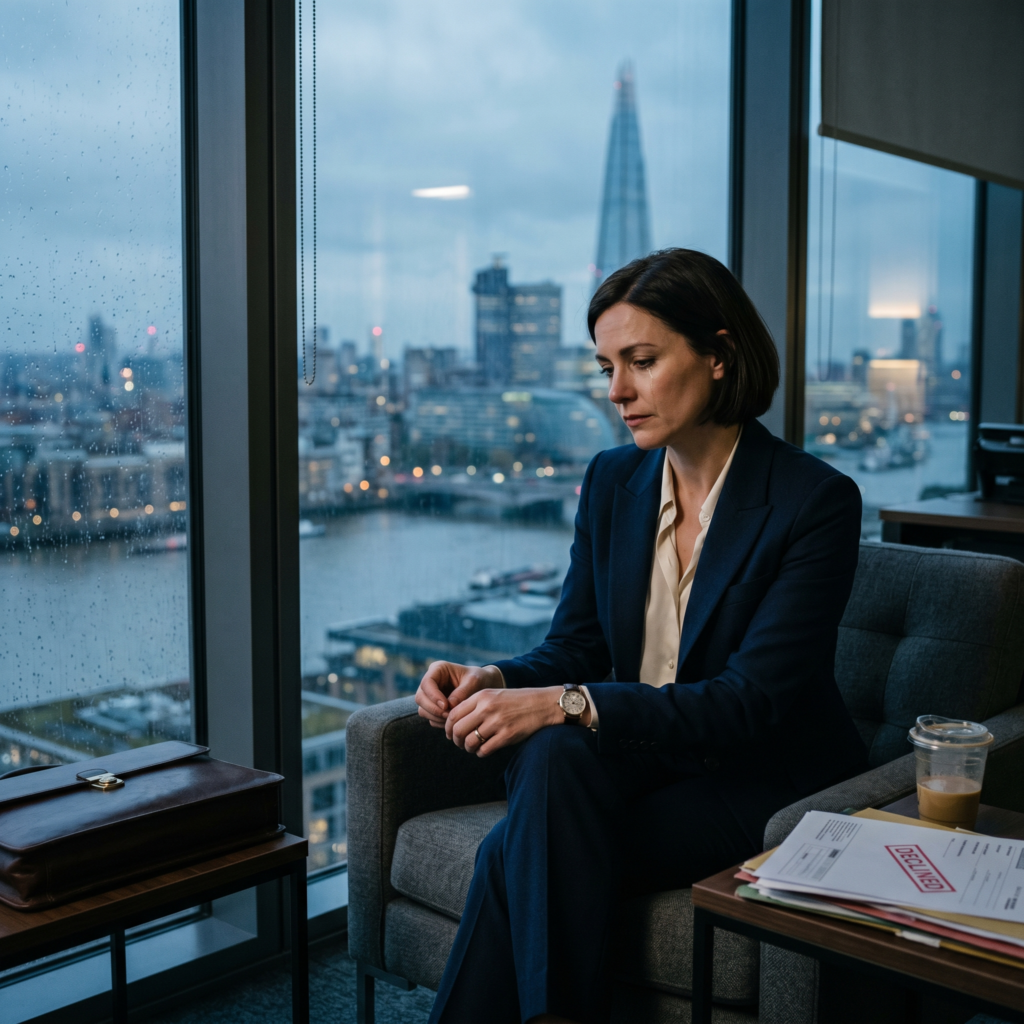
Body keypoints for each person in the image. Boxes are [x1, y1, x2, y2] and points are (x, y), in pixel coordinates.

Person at [414, 248, 868, 1024]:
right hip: (647, 757)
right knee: (551, 760)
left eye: (642, 361)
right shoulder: (611, 480)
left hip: (759, 779)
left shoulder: (815, 501)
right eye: (606, 368)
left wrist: (569, 704)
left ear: (719, 355)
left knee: (512, 849)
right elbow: (577, 647)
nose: (617, 391)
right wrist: (499, 679)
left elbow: (747, 702)